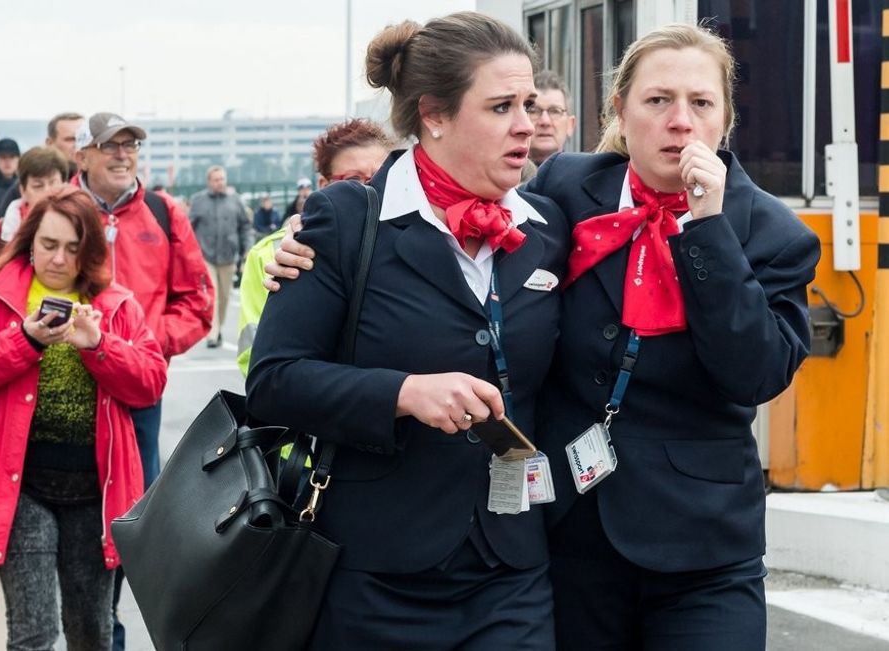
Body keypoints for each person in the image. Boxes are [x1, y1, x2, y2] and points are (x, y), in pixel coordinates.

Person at [265, 22, 822, 651]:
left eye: (701, 103)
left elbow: (755, 374)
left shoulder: (774, 234)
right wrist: (304, 245)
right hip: (563, 533)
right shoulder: (562, 195)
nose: (680, 122)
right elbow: (443, 205)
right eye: (658, 100)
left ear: (726, 117)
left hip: (698, 542)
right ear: (620, 112)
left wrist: (708, 229)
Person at [246, 12, 567, 649]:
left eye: (529, 104)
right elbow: (274, 383)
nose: (527, 125)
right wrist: (402, 392)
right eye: (501, 107)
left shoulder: (547, 226)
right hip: (376, 574)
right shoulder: (347, 219)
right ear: (435, 114)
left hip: (512, 571)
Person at [0, 187, 167, 650]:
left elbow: (150, 383)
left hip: (94, 491)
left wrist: (99, 346)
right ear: (29, 242)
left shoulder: (116, 303)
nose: (59, 259)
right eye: (48, 245)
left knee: (91, 631)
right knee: (33, 633)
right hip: (19, 487)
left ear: (89, 251)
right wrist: (24, 340)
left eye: (72, 247)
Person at [72, 111, 211, 651]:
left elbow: (197, 301)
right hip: (70, 382)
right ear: (83, 155)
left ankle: (106, 626)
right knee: (73, 512)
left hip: (136, 390)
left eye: (130, 145)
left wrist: (149, 344)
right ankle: (91, 625)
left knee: (132, 517)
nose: (122, 154)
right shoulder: (62, 210)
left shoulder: (163, 211)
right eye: (110, 145)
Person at [236, 117, 391, 378]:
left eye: (381, 178)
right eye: (354, 180)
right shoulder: (273, 253)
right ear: (324, 185)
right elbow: (256, 358)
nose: (370, 189)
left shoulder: (418, 240)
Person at [187, 165, 253, 348]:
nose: (220, 183)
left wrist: (247, 249)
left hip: (229, 257)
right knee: (213, 295)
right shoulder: (198, 201)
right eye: (216, 180)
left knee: (224, 297)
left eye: (222, 179)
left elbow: (245, 227)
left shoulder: (236, 200)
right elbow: (188, 228)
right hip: (205, 256)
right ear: (209, 181)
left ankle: (219, 328)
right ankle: (212, 333)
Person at [0, 146, 69, 263]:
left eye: (53, 183)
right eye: (38, 186)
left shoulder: (79, 224)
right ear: (23, 191)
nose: (48, 192)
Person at [0, 113, 85, 219]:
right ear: (50, 142)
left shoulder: (94, 183)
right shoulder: (28, 184)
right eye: (70, 139)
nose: (78, 145)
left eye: (82, 139)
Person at [529, 70, 576, 165]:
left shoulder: (586, 173)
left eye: (555, 111)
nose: (545, 121)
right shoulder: (501, 172)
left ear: (570, 125)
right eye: (534, 111)